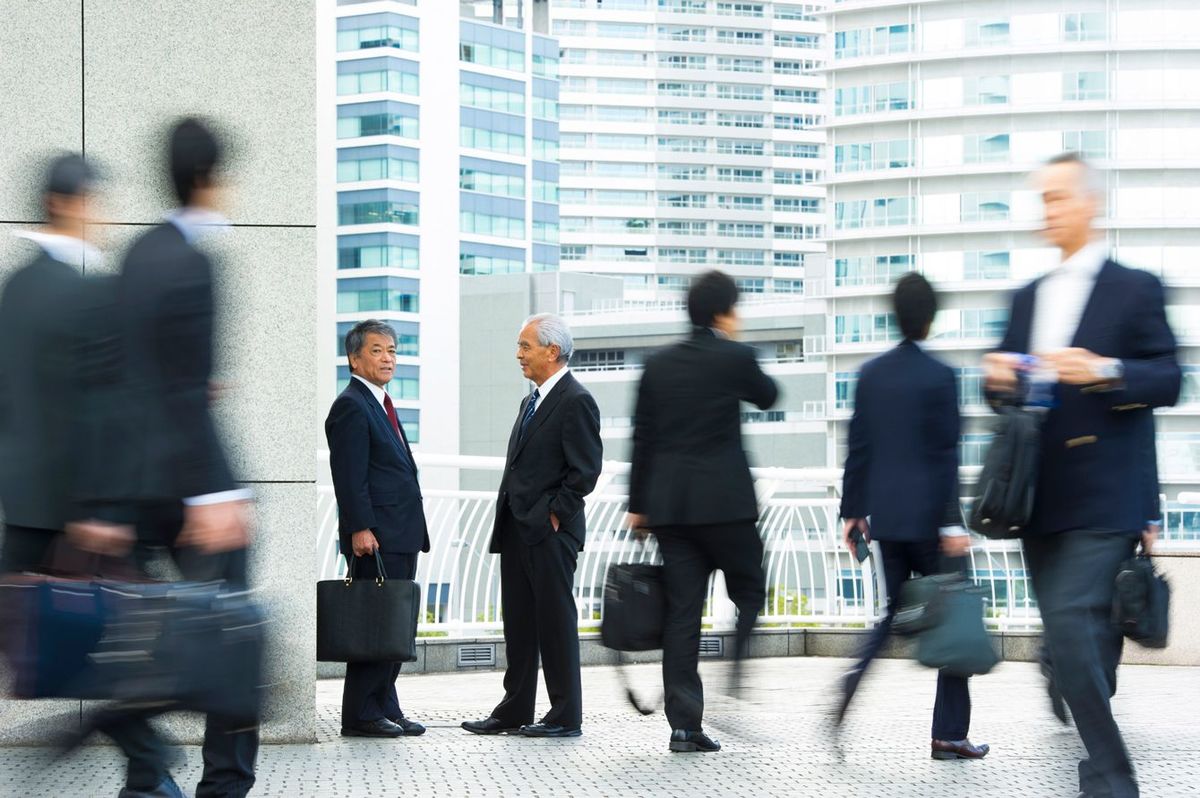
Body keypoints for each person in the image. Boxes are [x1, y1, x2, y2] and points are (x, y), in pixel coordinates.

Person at [71, 118, 259, 798]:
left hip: (136, 485)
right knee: (236, 637)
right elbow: (186, 391)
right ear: (212, 178)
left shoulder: (136, 256)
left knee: (149, 634)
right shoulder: (195, 260)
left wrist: (109, 504)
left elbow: (120, 382)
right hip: (188, 484)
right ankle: (225, 785)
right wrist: (215, 496)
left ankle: (144, 775)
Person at [984, 152, 1180, 798]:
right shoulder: (1026, 297)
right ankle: (1093, 736)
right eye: (1044, 199)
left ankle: (1112, 777)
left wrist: (1104, 370)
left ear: (1090, 203)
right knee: (1072, 634)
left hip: (1106, 496)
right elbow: (1009, 403)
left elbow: (1169, 378)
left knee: (1068, 624)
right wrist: (998, 381)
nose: (1051, 210)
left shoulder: (1134, 288)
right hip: (1038, 500)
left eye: (1061, 197)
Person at [836, 272, 989, 761]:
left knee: (889, 620)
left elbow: (858, 447)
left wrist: (853, 512)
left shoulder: (871, 374)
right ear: (931, 318)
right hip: (931, 522)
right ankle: (949, 734)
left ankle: (844, 696)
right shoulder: (941, 376)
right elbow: (946, 454)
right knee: (957, 617)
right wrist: (951, 524)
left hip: (887, 520)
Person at [626, 270, 778, 754]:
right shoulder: (736, 356)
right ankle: (736, 672)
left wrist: (638, 506)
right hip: (726, 505)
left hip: (671, 509)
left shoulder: (658, 364)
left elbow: (642, 436)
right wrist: (734, 345)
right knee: (751, 589)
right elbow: (769, 395)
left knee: (682, 615)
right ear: (723, 312)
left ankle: (685, 727)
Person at [462, 314, 602, 739]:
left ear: (551, 351)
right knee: (518, 623)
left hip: (550, 532)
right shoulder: (531, 401)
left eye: (525, 346)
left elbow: (585, 471)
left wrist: (553, 515)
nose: (518, 355)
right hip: (518, 527)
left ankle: (564, 715)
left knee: (555, 623)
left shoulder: (576, 400)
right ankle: (514, 708)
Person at [0, 154, 132, 572]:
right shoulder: (85, 292)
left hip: (20, 506)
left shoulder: (15, 288)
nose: (102, 216)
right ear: (65, 204)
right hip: (72, 517)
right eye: (95, 201)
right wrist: (103, 509)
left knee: (17, 628)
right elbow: (98, 407)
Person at [325, 319, 429, 738]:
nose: (387, 358)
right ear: (354, 357)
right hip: (376, 536)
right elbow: (349, 477)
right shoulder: (351, 404)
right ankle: (361, 714)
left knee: (393, 625)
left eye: (391, 350)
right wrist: (360, 528)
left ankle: (387, 705)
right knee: (373, 624)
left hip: (400, 531)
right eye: (376, 350)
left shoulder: (381, 402)